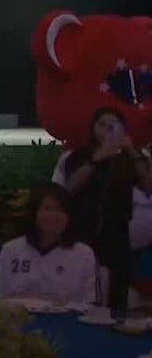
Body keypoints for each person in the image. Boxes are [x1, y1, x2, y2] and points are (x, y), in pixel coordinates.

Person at [60, 107, 152, 315]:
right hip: (84, 230)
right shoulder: (80, 155)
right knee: (83, 286)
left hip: (117, 232)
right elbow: (70, 187)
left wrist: (132, 152)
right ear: (93, 128)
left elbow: (148, 186)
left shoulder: (129, 157)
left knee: (116, 291)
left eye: (113, 126)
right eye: (102, 124)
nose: (106, 130)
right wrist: (96, 158)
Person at [0, 183, 97, 306]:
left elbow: (90, 304)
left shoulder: (84, 254)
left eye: (61, 210)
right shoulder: (10, 250)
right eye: (47, 209)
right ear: (34, 213)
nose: (54, 215)